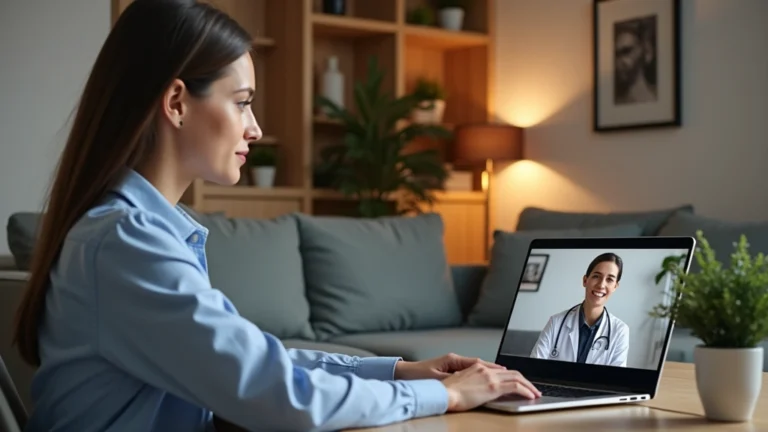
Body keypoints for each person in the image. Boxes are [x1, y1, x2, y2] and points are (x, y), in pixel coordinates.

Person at [11, 1, 541, 431]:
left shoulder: (136, 230)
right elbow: (278, 394)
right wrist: (440, 396)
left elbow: (255, 360)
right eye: (242, 102)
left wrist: (398, 369)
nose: (256, 128)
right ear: (176, 103)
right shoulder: (128, 241)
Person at [529, 253, 630, 367]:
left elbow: (616, 380)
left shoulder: (620, 331)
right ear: (585, 280)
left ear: (615, 287)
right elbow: (534, 367)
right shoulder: (555, 322)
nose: (601, 285)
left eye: (610, 279)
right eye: (596, 276)